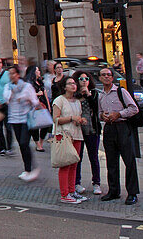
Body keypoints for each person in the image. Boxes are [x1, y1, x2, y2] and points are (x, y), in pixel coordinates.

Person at [98, 66, 139, 205]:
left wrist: (119, 114)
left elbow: (134, 108)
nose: (107, 77)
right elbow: (99, 113)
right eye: (103, 75)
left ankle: (132, 193)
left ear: (112, 77)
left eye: (109, 75)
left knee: (129, 161)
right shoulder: (101, 95)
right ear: (100, 78)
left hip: (122, 127)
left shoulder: (121, 92)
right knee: (111, 162)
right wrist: (102, 116)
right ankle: (113, 191)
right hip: (109, 128)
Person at [52, 76, 87, 204]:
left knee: (74, 163)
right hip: (64, 134)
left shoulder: (77, 101)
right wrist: (72, 118)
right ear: (64, 87)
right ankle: (64, 193)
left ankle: (72, 191)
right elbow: (56, 119)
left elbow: (78, 116)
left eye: (74, 83)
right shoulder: (59, 100)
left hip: (76, 133)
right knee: (65, 164)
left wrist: (80, 120)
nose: (73, 85)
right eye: (70, 83)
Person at [6, 64, 40, 182]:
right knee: (21, 145)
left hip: (26, 119)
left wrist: (29, 99)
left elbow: (35, 102)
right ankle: (27, 169)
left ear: (18, 74)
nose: (11, 76)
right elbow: (6, 99)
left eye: (13, 73)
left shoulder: (27, 86)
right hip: (14, 119)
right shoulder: (8, 87)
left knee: (24, 142)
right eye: (9, 74)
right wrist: (12, 93)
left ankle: (32, 168)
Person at [74, 70, 103, 195]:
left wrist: (88, 95)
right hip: (78, 129)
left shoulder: (94, 93)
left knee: (93, 157)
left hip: (92, 128)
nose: (84, 81)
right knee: (77, 157)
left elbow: (97, 108)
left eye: (86, 79)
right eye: (81, 79)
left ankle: (96, 183)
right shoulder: (74, 95)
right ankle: (77, 182)